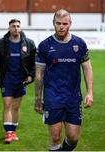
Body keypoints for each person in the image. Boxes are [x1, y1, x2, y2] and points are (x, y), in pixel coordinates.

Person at [35, 9, 93, 151]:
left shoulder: (79, 44)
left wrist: (89, 92)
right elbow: (39, 75)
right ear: (53, 23)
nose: (61, 26)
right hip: (52, 97)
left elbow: (87, 68)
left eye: (65, 23)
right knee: (55, 138)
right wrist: (37, 98)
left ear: (70, 24)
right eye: (58, 23)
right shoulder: (44, 46)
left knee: (73, 138)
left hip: (73, 97)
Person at [0, 19, 36, 144]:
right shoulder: (2, 44)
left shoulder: (29, 44)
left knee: (16, 107)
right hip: (6, 80)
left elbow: (33, 63)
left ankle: (13, 131)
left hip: (20, 81)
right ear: (9, 28)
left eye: (18, 26)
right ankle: (8, 133)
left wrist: (31, 76)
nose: (16, 28)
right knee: (8, 105)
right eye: (13, 26)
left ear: (20, 28)